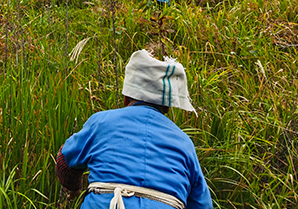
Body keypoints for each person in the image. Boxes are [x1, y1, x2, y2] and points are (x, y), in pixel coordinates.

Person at [56, 49, 212, 209]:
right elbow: (202, 204)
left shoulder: (101, 123)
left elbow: (64, 161)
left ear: (126, 97)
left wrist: (74, 188)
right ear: (167, 107)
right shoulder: (184, 143)